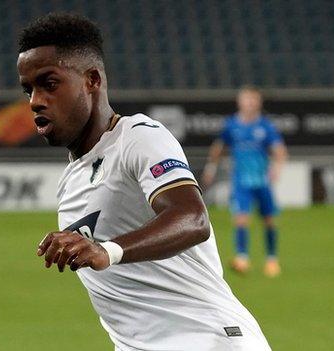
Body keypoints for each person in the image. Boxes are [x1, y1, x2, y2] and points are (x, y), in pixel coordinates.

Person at [17, 13, 271, 350]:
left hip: (206, 339)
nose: (35, 100)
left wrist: (107, 249)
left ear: (92, 80)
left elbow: (193, 218)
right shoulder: (71, 183)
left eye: (49, 84)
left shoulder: (138, 137)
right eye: (28, 89)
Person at [202, 87, 288, 277]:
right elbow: (219, 147)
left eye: (253, 100)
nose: (249, 103)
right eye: (246, 100)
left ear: (258, 103)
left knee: (269, 221)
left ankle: (272, 260)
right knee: (241, 218)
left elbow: (280, 151)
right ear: (240, 102)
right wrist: (211, 168)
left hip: (262, 181)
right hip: (241, 182)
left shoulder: (265, 126)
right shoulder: (232, 125)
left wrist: (277, 168)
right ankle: (242, 258)